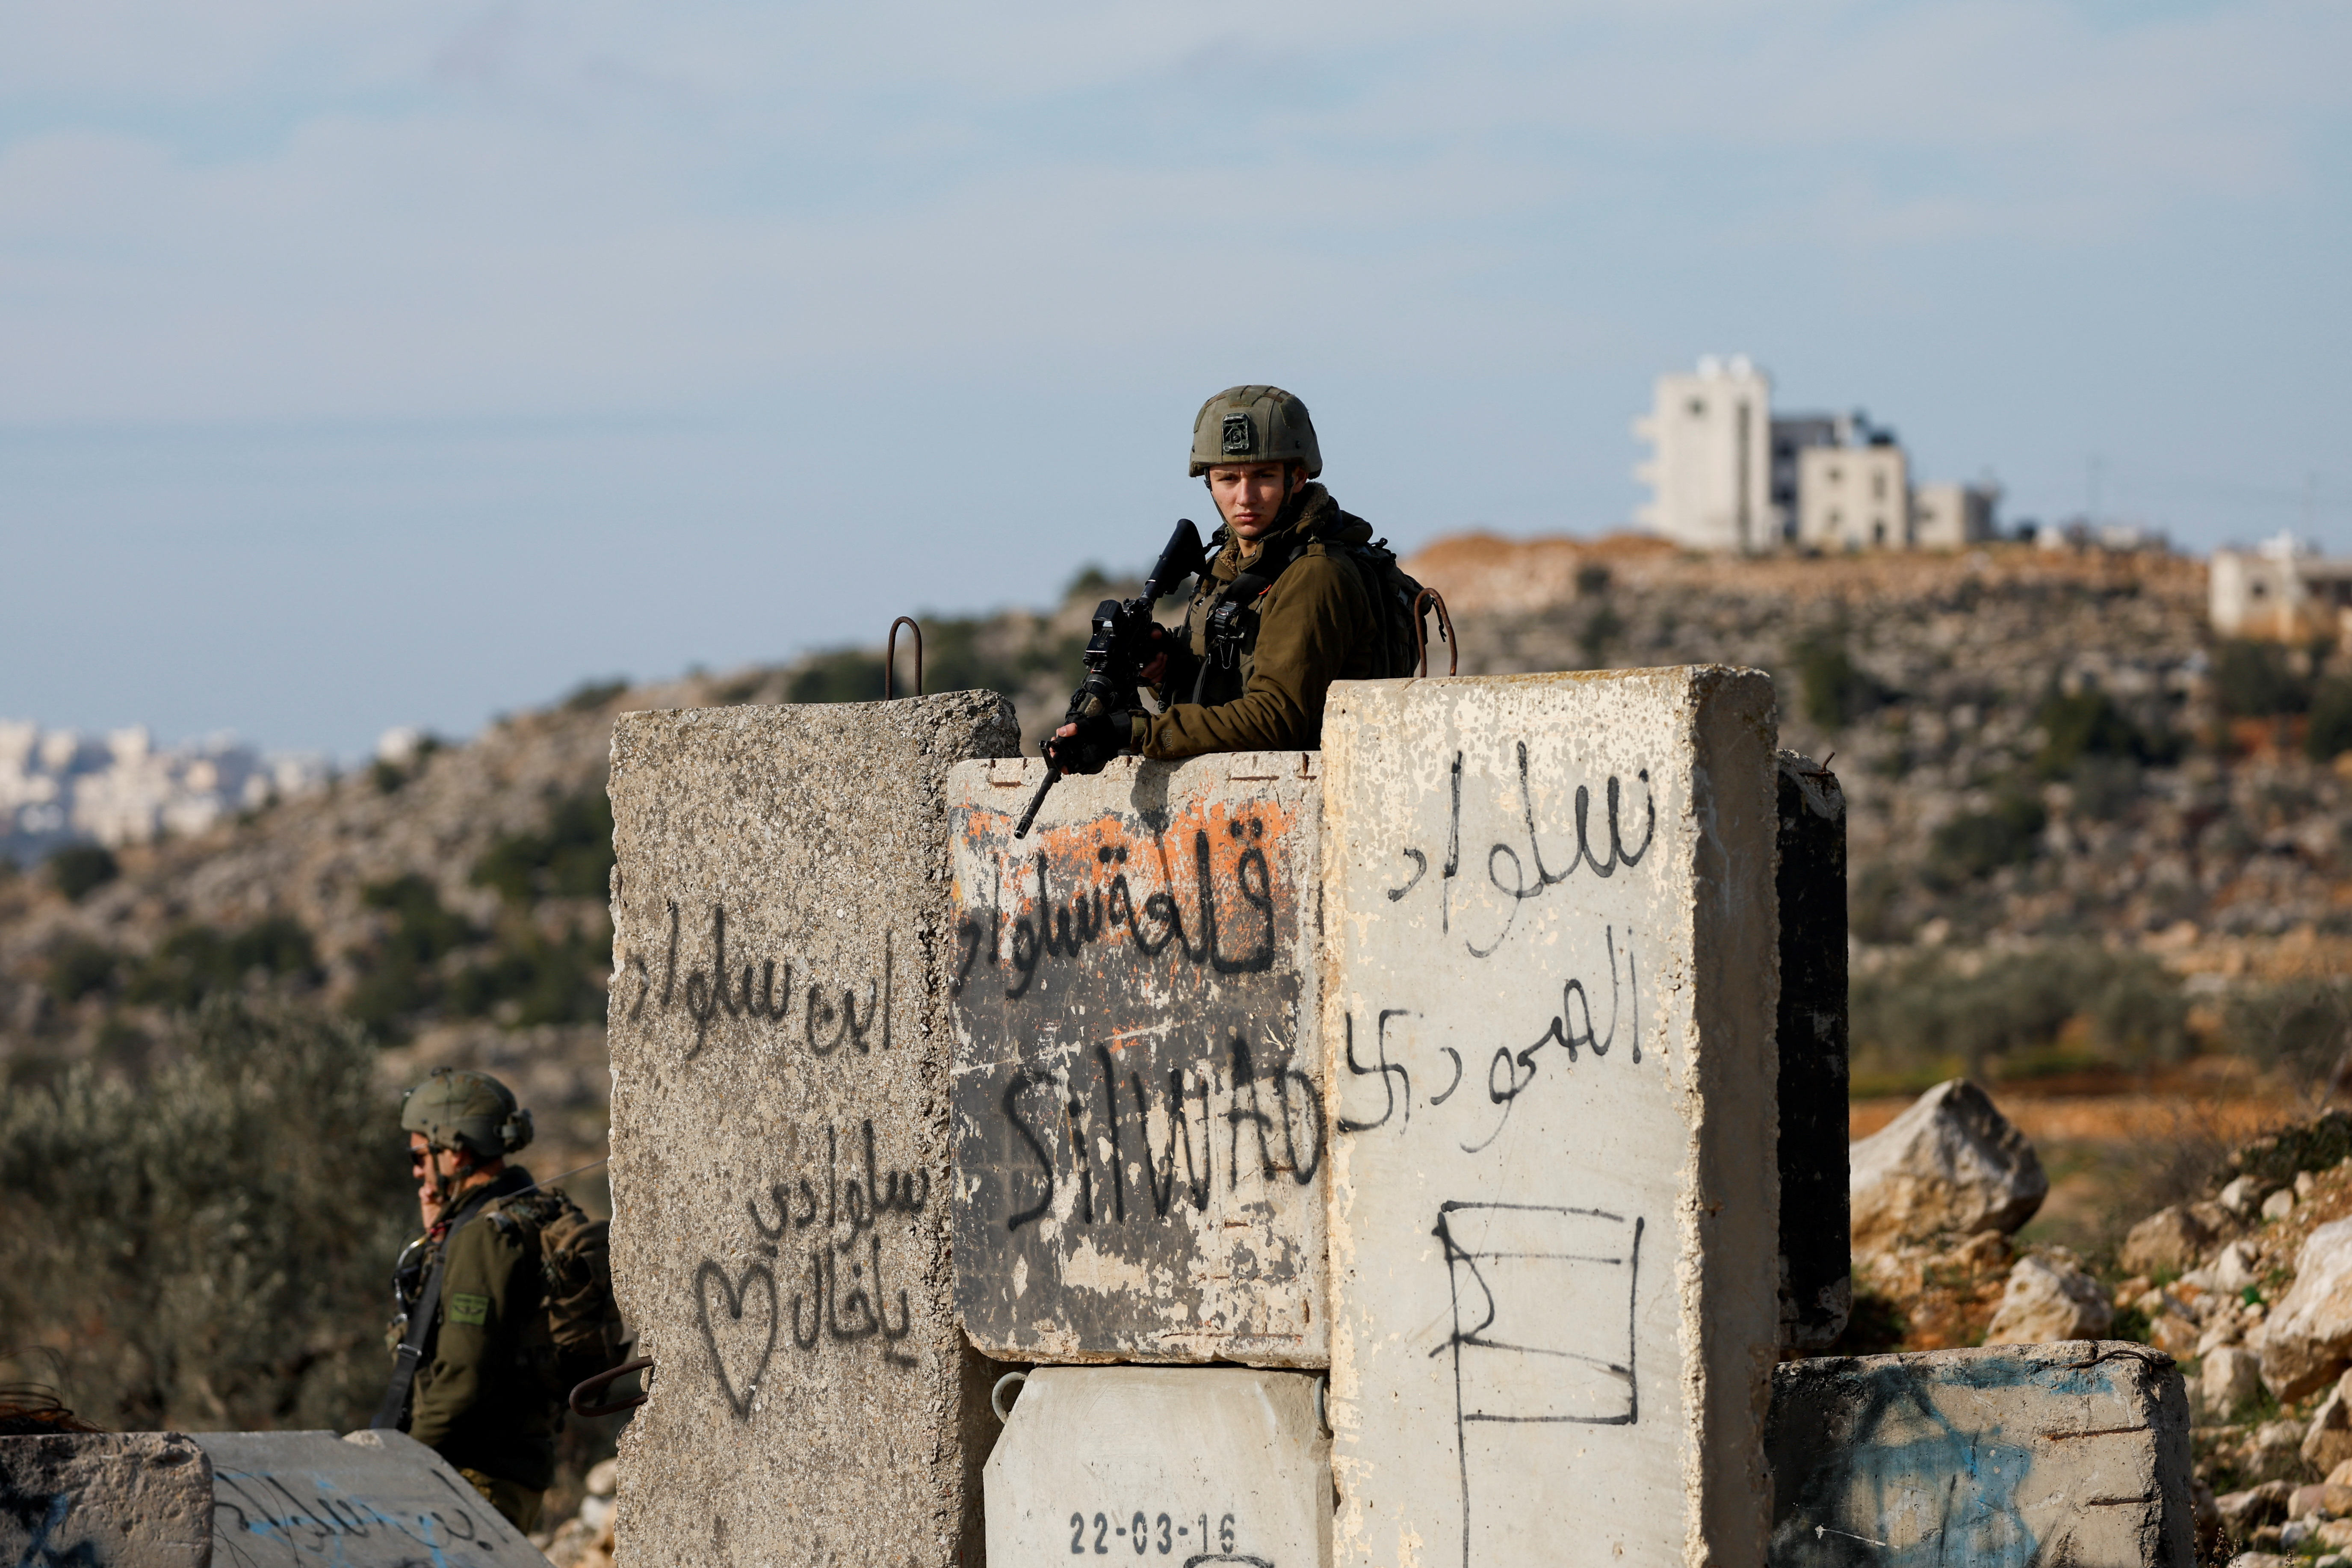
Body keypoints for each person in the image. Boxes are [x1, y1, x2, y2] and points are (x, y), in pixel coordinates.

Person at [1050, 385, 1385, 765]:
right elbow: (1230, 681)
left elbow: (1277, 718)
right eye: (1228, 478)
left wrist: (1138, 731)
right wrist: (1168, 665)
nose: (1245, 497)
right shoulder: (1232, 564)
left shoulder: (1315, 575)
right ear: (1209, 481)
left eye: (1263, 476)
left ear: (1297, 478)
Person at [375, 1067, 563, 1534]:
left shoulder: (483, 1237)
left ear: (455, 1151)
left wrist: (397, 1464)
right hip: (502, 1472)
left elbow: (461, 1377)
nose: (417, 1170)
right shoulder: (517, 1211)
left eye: (420, 1155)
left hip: (475, 1477)